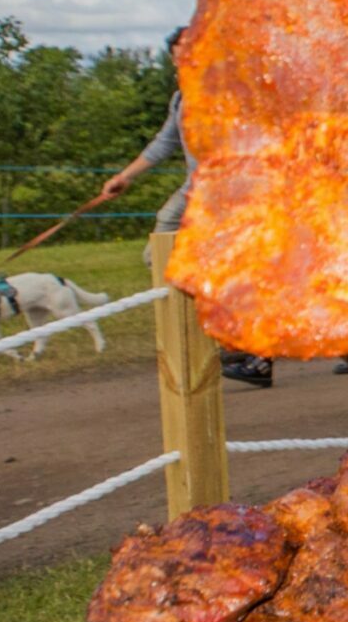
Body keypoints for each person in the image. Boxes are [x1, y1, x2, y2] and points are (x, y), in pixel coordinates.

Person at [96, 30, 273, 389]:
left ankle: (255, 353)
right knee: (161, 245)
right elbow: (164, 144)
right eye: (177, 55)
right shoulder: (182, 99)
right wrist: (124, 177)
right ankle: (199, 329)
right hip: (194, 190)